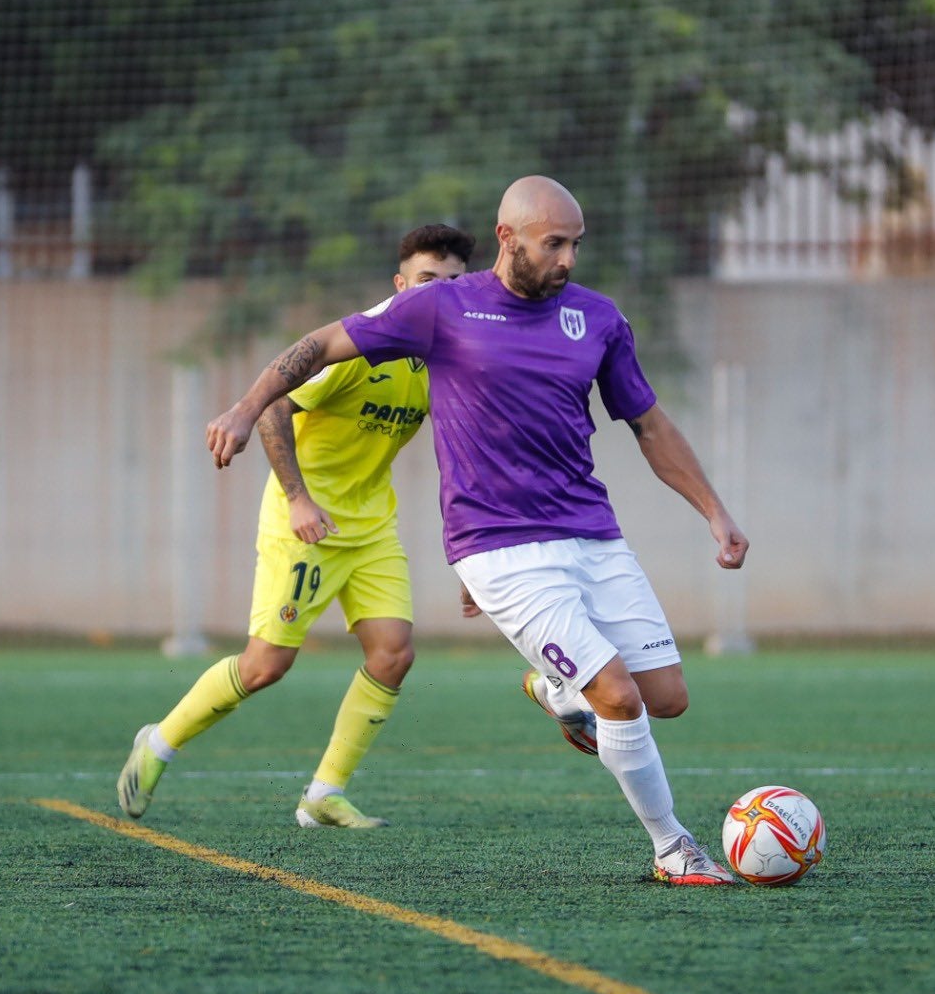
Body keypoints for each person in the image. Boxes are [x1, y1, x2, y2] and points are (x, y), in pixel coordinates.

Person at [206, 176, 750, 885]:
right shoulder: (441, 306)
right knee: (617, 696)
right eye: (553, 244)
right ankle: (673, 848)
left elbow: (649, 425)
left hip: (592, 533)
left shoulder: (597, 319)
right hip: (498, 547)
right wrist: (247, 407)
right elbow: (320, 344)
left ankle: (557, 689)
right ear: (507, 238)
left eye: (575, 244)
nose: (567, 259)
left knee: (666, 698)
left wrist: (714, 511)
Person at [117, 224, 477, 827]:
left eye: (451, 283)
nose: (437, 293)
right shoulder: (364, 346)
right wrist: (299, 499)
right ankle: (157, 743)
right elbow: (276, 407)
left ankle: (323, 794)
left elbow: (461, 458)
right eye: (425, 280)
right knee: (265, 667)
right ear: (400, 285)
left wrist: (472, 553)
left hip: (372, 527)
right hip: (305, 522)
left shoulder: (448, 362)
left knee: (393, 655)